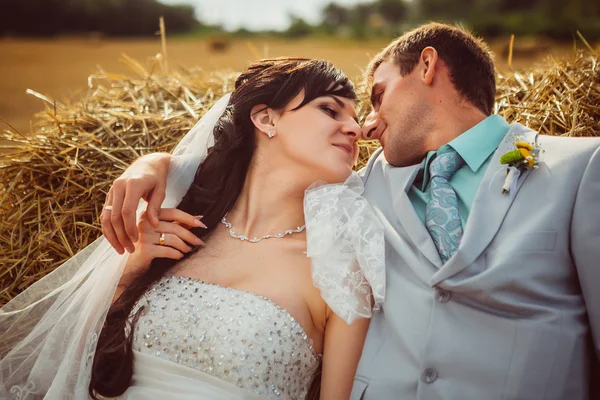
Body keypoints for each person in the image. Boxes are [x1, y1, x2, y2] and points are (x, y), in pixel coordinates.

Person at [104, 23, 600, 399]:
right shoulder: (361, 191)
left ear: (427, 68)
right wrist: (155, 164)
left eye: (376, 96)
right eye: (335, 110)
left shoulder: (578, 167)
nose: (365, 125)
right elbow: (246, 164)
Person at [0, 57, 386, 400]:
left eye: (355, 117)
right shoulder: (178, 226)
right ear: (266, 118)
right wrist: (132, 270)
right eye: (331, 110)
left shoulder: (338, 270)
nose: (354, 128)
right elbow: (83, 368)